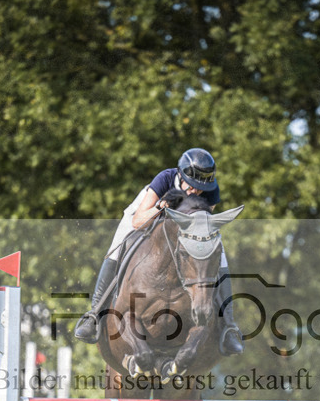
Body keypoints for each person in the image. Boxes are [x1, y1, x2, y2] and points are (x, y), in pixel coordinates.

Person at [73, 148, 243, 355]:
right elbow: (138, 221)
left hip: (184, 225)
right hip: (148, 213)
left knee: (219, 253)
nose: (195, 192)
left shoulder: (211, 190)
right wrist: (161, 207)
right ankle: (94, 314)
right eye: (192, 186)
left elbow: (201, 224)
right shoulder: (164, 179)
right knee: (115, 249)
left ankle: (229, 326)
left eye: (200, 189)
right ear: (180, 175)